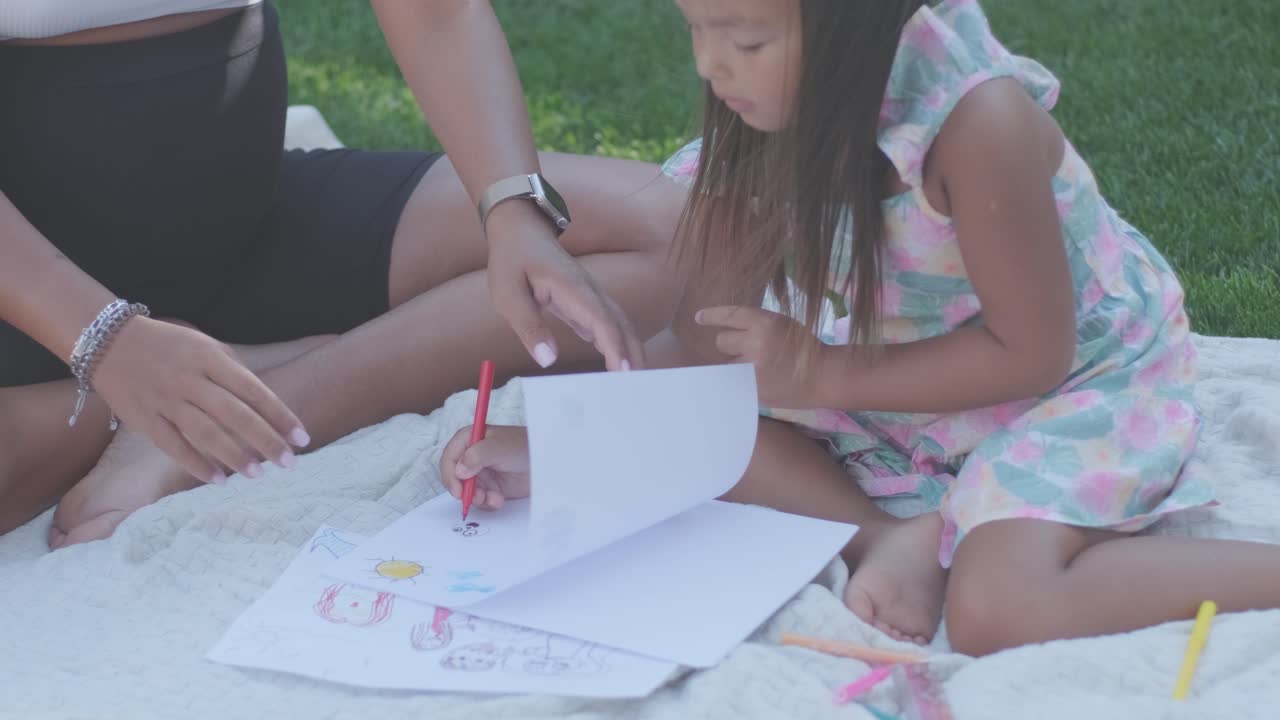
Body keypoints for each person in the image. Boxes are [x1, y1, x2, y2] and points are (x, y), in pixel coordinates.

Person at [438, 0, 1280, 657]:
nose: (711, 64)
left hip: (1067, 380)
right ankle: (894, 532)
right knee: (719, 425)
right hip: (894, 370)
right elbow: (702, 351)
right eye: (695, 27)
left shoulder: (975, 123)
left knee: (998, 608)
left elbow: (1034, 352)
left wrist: (824, 378)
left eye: (745, 39)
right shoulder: (762, 101)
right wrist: (571, 447)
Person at [0, 1, 686, 547]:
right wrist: (107, 341)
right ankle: (121, 408)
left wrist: (511, 208)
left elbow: (436, 12)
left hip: (245, 227)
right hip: (28, 296)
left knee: (675, 237)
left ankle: (236, 415)